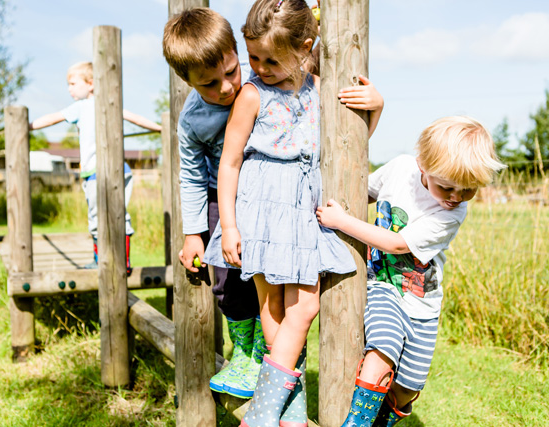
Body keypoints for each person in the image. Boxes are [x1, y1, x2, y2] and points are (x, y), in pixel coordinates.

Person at [202, 1, 384, 425]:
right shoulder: (251, 95)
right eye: (254, 57)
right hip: (261, 206)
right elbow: (229, 162)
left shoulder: (322, 88)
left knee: (302, 308)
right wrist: (228, 226)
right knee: (275, 309)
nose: (260, 67)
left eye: (271, 59)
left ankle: (264, 415)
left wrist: (376, 106)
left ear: (305, 48)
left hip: (302, 208)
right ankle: (291, 413)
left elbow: (349, 143)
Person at [316, 116, 506, 427]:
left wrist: (344, 222)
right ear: (422, 166)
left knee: (409, 386)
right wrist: (336, 212)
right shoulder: (400, 168)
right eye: (446, 187)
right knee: (383, 348)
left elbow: (397, 244)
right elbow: (362, 192)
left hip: (423, 304)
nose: (456, 197)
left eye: (468, 190)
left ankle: (382, 417)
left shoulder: (452, 214)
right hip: (384, 285)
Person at [162, 8, 264, 399]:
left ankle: (266, 351)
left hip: (265, 189)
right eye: (208, 84)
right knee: (224, 274)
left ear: (237, 54)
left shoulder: (261, 80)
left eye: (231, 71)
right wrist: (194, 234)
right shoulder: (192, 120)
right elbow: (190, 176)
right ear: (186, 81)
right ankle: (243, 351)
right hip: (219, 197)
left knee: (270, 272)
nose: (225, 87)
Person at [29, 61, 161, 271]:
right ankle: (123, 261)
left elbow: (53, 118)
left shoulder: (80, 107)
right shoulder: (110, 103)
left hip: (96, 173)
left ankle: (101, 261)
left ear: (90, 84)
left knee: (96, 216)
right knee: (120, 212)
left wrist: (27, 126)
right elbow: (135, 118)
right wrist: (161, 128)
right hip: (120, 169)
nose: (69, 88)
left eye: (72, 83)